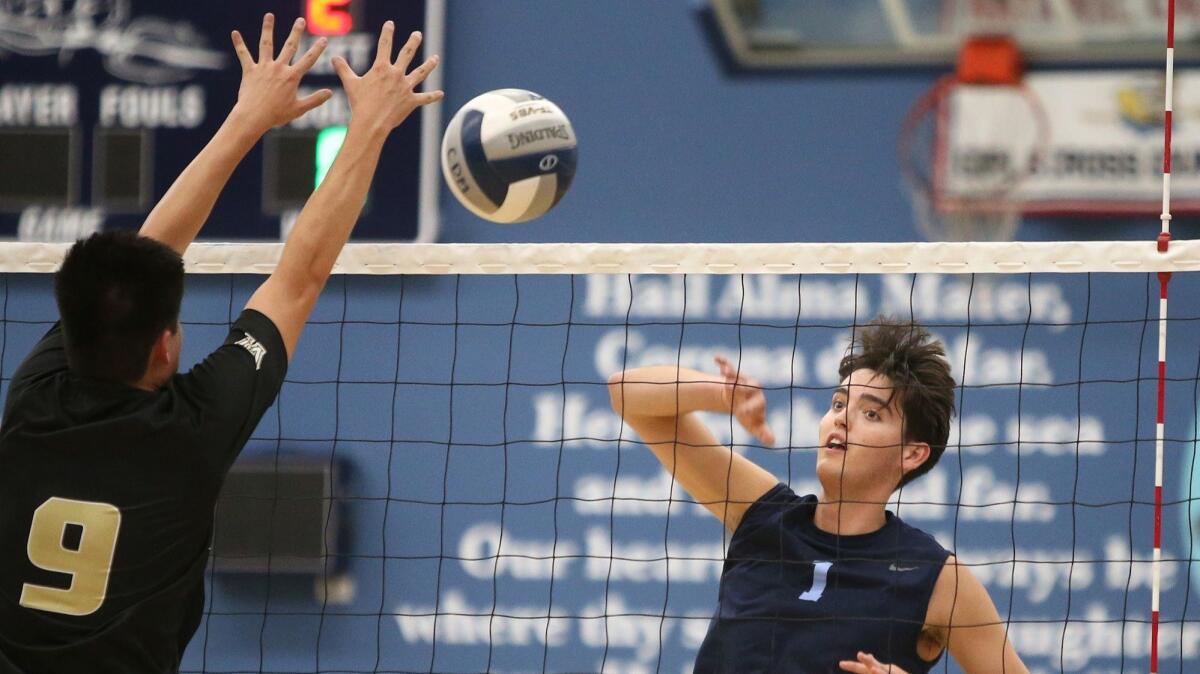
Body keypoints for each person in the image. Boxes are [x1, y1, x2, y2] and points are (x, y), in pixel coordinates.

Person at [0, 14, 441, 673]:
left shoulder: (31, 399)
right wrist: (369, 124)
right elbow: (300, 275)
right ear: (166, 348)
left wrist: (247, 118)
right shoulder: (190, 432)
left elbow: (155, 256)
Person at [608, 318, 1029, 674]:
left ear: (912, 453)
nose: (842, 419)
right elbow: (626, 393)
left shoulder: (936, 577)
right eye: (838, 403)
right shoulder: (764, 514)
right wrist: (720, 395)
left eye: (871, 413)